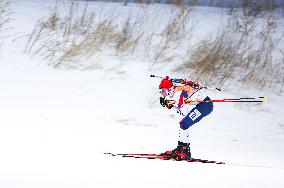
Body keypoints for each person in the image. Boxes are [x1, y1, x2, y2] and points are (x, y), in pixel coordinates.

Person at [158, 76, 213, 160]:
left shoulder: (177, 93)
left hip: (205, 106)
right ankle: (181, 148)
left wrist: (168, 103)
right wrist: (170, 106)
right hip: (202, 105)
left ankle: (185, 151)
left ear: (168, 89)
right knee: (182, 124)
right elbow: (182, 112)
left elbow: (182, 110)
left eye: (162, 90)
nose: (161, 93)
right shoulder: (176, 91)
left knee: (184, 124)